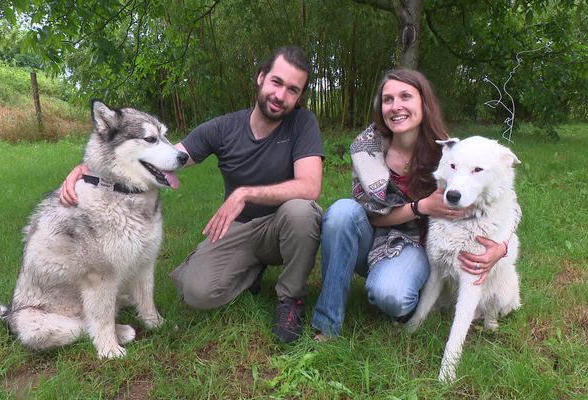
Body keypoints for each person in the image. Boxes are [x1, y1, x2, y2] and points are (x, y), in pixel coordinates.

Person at [60, 46, 324, 344]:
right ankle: (250, 270)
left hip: (283, 228)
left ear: (299, 96)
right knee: (197, 293)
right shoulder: (224, 127)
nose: (281, 95)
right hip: (238, 230)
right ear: (261, 78)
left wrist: (244, 194)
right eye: (277, 82)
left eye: (292, 90)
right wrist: (90, 167)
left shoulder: (303, 124)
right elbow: (170, 157)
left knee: (302, 212)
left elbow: (309, 186)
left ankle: (290, 300)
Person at [311, 69, 508, 339]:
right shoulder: (365, 148)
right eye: (388, 99)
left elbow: (505, 202)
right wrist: (421, 207)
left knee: (392, 297)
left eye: (405, 96)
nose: (396, 106)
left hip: (417, 245)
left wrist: (502, 246)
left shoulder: (449, 152)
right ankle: (327, 325)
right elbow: (371, 216)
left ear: (423, 103)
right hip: (370, 236)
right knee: (342, 212)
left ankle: (407, 290)